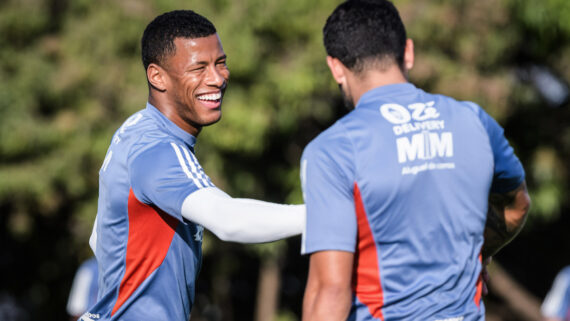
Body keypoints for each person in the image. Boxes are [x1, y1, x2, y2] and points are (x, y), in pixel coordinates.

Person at [299, 1, 530, 320]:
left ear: (336, 67)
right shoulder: (474, 121)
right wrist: (479, 256)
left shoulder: (333, 150)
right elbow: (517, 206)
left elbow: (331, 290)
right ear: (408, 51)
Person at [81, 10, 304, 321]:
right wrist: (329, 213)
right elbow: (229, 221)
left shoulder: (135, 129)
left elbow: (98, 236)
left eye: (220, 62)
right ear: (157, 76)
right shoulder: (159, 150)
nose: (217, 78)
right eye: (198, 68)